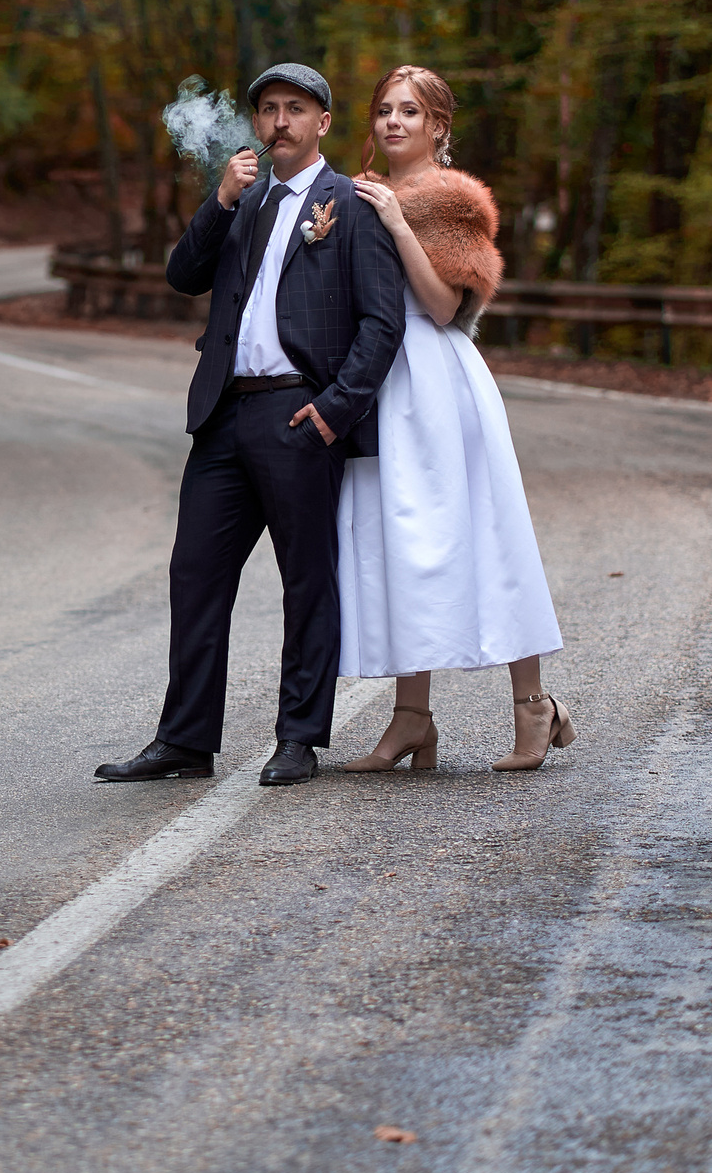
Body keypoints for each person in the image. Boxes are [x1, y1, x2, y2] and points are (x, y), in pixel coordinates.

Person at [94, 64, 406, 788]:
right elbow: (181, 273)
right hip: (225, 414)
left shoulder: (350, 203)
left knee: (307, 578)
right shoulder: (245, 199)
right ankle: (185, 739)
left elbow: (382, 323)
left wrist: (334, 410)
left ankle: (299, 737)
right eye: (267, 111)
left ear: (322, 122)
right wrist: (221, 201)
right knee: (195, 574)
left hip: (300, 413)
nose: (279, 123)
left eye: (295, 109)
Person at [339, 65, 573, 772]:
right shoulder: (361, 190)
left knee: (484, 529)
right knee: (403, 538)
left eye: (410, 111)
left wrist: (393, 222)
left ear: (438, 126)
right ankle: (412, 717)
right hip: (381, 378)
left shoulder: (449, 199)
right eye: (384, 110)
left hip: (437, 375)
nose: (393, 122)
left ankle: (534, 706)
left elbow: (444, 308)